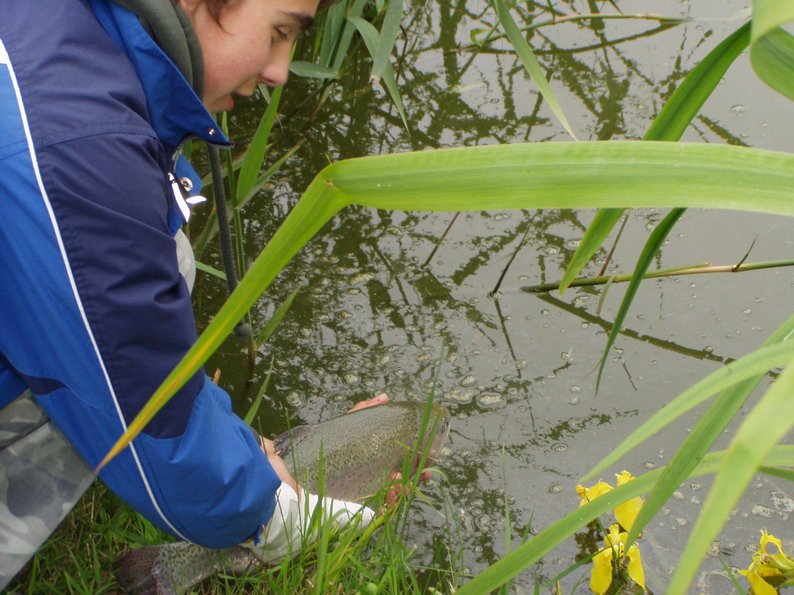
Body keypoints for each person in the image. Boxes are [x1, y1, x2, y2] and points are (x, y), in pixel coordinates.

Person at [0, 0, 390, 587]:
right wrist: (273, 515)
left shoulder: (67, 41)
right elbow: (134, 386)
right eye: (279, 32)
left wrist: (235, 439)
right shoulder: (74, 143)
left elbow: (125, 317)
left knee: (168, 253)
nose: (281, 71)